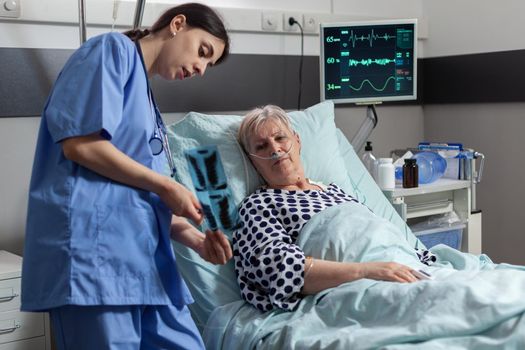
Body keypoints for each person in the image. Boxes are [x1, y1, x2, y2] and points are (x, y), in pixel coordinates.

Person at [21, 3, 233, 349]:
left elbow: (143, 198)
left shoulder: (147, 103)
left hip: (147, 266)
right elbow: (80, 145)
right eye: (203, 52)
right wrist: (167, 184)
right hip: (97, 263)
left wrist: (195, 239)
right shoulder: (111, 51)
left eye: (208, 65)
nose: (200, 69)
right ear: (178, 24)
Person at [234, 105, 436, 312]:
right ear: (253, 162)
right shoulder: (258, 205)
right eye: (261, 147)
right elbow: (278, 268)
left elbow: (376, 232)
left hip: (404, 266)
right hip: (359, 285)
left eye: (280, 138)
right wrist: (367, 271)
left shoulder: (335, 191)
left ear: (297, 141)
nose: (274, 149)